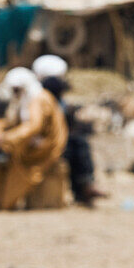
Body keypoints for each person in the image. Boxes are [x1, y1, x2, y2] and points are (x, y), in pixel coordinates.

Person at [0, 67, 68, 211]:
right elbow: (12, 121)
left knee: (12, 157)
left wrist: (8, 138)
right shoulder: (23, 99)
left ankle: (6, 202)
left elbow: (34, 127)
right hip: (29, 143)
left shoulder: (40, 99)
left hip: (45, 147)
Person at [33, 54, 107, 207]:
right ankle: (85, 187)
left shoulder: (51, 99)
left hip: (56, 141)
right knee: (77, 145)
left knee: (78, 143)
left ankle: (84, 187)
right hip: (46, 144)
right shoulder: (43, 99)